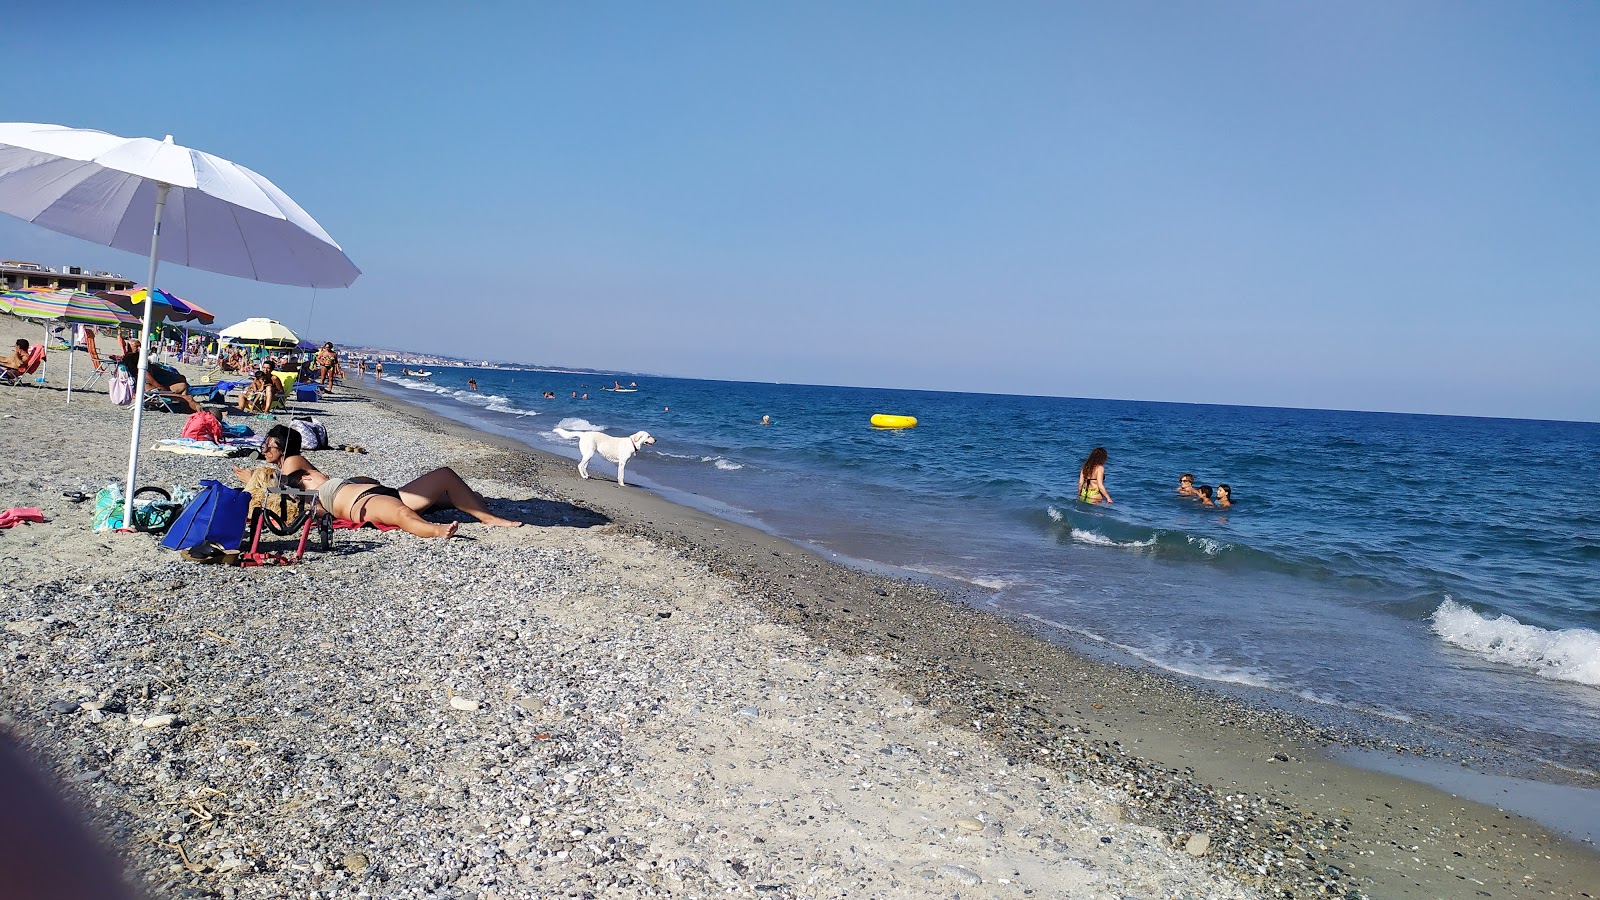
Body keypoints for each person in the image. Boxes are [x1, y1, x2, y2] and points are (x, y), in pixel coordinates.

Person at [295, 467, 522, 538]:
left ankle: (479, 510)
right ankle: (436, 530)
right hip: (364, 503)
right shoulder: (314, 493)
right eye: (315, 472)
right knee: (402, 515)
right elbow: (320, 514)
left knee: (445, 475)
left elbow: (371, 480)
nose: (320, 472)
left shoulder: (332, 483)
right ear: (306, 478)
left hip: (388, 492)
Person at [122, 349, 200, 412]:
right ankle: (200, 411)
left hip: (155, 391)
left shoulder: (143, 370)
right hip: (154, 393)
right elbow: (158, 386)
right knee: (188, 398)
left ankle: (182, 406)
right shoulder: (144, 372)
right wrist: (168, 391)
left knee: (182, 385)